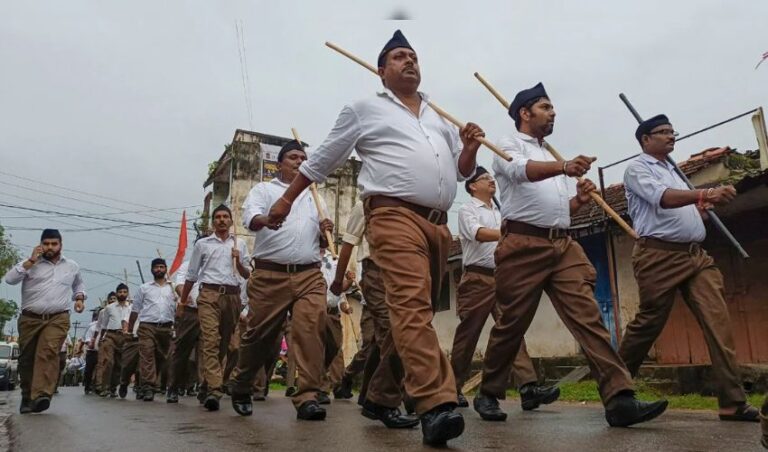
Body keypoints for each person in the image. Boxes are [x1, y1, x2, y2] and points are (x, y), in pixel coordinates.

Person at [267, 30, 485, 446]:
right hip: (391, 215)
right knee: (410, 306)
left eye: (414, 56)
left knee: (413, 313)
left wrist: (470, 147)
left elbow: (460, 172)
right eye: (400, 57)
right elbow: (324, 157)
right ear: (381, 70)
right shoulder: (364, 108)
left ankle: (381, 395)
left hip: (438, 224)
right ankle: (435, 403)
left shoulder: (438, 116)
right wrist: (286, 201)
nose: (410, 62)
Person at [475, 82, 668, 427]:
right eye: (546, 107)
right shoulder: (507, 144)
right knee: (512, 323)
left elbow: (556, 211)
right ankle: (489, 391)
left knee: (588, 317)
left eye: (553, 108)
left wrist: (578, 199)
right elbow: (521, 172)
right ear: (525, 113)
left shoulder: (551, 153)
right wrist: (564, 168)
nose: (553, 113)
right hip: (522, 246)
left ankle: (619, 398)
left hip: (562, 245)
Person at [618, 114, 758, 422]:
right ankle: (615, 387)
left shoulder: (674, 170)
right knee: (649, 323)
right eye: (663, 132)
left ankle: (732, 402)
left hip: (695, 257)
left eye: (672, 131)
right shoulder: (638, 169)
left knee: (717, 321)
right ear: (645, 140)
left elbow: (683, 210)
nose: (671, 136)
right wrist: (704, 193)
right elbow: (663, 200)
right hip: (658, 256)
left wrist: (701, 211)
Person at [229, 140, 333, 421]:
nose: (299, 161)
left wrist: (326, 232)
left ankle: (308, 395)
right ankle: (241, 383)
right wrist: (267, 219)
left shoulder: (315, 196)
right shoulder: (263, 190)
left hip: (310, 274)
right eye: (293, 157)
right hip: (269, 276)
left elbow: (323, 242)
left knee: (311, 330)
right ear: (279, 163)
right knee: (259, 335)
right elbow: (251, 219)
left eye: (303, 157)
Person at [451, 166, 559, 410]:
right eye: (485, 178)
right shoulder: (468, 209)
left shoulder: (502, 211)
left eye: (491, 178)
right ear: (472, 186)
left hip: (504, 277)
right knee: (468, 335)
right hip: (477, 279)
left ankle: (528, 387)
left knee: (511, 331)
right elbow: (478, 234)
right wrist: (509, 232)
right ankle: (451, 388)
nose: (491, 181)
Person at [330, 201, 416, 428]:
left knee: (382, 341)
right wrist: (339, 281)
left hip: (401, 272)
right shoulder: (363, 206)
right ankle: (392, 400)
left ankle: (370, 396)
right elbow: (348, 244)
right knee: (392, 331)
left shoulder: (404, 204)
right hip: (375, 273)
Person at [4, 228, 86, 414]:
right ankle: (27, 396)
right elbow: (9, 279)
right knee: (27, 358)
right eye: (46, 244)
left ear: (60, 245)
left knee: (47, 352)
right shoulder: (30, 263)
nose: (50, 247)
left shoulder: (71, 265)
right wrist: (31, 261)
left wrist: (79, 298)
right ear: (40, 244)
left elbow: (78, 284)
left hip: (58, 318)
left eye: (54, 244)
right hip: (30, 319)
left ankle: (41, 395)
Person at [179, 205, 250, 410]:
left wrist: (238, 262)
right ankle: (215, 390)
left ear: (230, 221)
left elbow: (247, 276)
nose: (221, 220)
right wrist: (183, 302)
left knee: (227, 345)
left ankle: (206, 384)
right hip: (209, 294)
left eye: (225, 216)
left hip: (232, 297)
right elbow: (191, 274)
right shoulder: (203, 244)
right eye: (217, 217)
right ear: (213, 222)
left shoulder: (241, 244)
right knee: (210, 340)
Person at [128, 258, 176, 401]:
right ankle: (149, 387)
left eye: (162, 267)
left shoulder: (173, 288)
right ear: (152, 270)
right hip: (147, 326)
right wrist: (130, 329)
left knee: (162, 358)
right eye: (156, 267)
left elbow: (179, 308)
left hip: (166, 327)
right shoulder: (144, 288)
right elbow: (135, 310)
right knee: (147, 355)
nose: (159, 269)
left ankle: (149, 384)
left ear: (166, 269)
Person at [167, 260, 201, 404]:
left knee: (208, 351)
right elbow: (179, 285)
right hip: (190, 312)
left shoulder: (222, 263)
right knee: (181, 351)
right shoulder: (188, 265)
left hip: (211, 312)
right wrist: (185, 296)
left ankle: (207, 389)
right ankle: (173, 387)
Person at [94, 284, 132, 397]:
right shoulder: (109, 308)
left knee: (119, 364)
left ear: (128, 294)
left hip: (124, 337)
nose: (122, 294)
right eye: (120, 292)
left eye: (125, 292)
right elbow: (104, 325)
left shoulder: (131, 307)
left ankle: (112, 388)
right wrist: (101, 338)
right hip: (110, 335)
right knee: (108, 361)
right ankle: (103, 387)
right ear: (116, 293)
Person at [82, 310, 100, 394]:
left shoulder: (107, 326)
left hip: (102, 351)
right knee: (89, 370)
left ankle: (98, 386)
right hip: (92, 352)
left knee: (100, 369)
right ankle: (87, 386)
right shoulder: (92, 326)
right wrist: (90, 343)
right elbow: (86, 338)